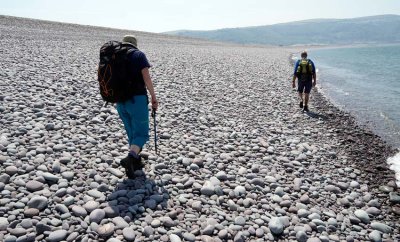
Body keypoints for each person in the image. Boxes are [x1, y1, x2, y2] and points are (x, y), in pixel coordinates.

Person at [117, 35, 158, 178]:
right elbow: (146, 77)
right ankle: (130, 158)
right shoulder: (139, 55)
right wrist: (153, 96)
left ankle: (135, 161)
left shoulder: (115, 56)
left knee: (132, 133)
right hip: (137, 100)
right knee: (141, 133)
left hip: (120, 101)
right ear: (134, 44)